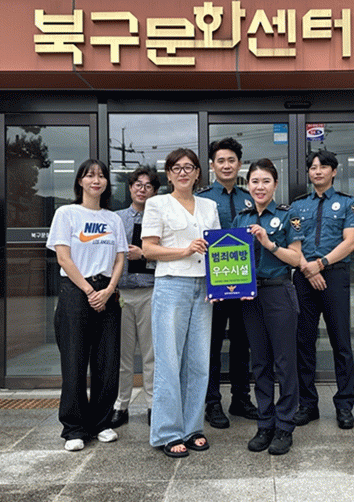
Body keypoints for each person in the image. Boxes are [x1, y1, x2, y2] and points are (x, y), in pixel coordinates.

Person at [141, 148, 220, 458]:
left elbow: (217, 249)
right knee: (169, 361)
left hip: (203, 287)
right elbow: (148, 250)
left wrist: (224, 284)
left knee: (198, 361)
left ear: (198, 173)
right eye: (177, 168)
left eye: (189, 167)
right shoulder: (157, 203)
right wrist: (185, 251)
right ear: (169, 174)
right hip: (171, 285)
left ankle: (192, 427)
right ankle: (167, 432)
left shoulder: (209, 206)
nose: (183, 172)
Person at [46, 159, 128, 452]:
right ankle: (74, 428)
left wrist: (108, 290)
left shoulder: (113, 219)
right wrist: (89, 290)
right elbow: (63, 257)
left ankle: (101, 423)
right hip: (76, 292)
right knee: (74, 362)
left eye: (101, 175)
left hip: (107, 292)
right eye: (90, 175)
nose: (97, 180)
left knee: (107, 363)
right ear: (80, 181)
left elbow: (120, 258)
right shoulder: (66, 213)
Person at [232, 158, 303, 456]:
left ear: (275, 184)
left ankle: (285, 425)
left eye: (265, 181)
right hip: (250, 297)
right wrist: (233, 286)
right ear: (247, 185)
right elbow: (232, 257)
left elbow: (296, 259)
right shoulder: (241, 218)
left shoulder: (288, 215)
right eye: (254, 181)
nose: (259, 187)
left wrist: (269, 243)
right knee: (259, 363)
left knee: (284, 363)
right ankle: (265, 423)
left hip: (279, 293)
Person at [291, 150, 354, 430]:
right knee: (303, 343)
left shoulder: (348, 204)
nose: (317, 171)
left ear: (334, 171)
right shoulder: (297, 206)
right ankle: (308, 404)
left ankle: (344, 405)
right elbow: (294, 244)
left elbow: (350, 243)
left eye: (323, 167)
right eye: (313, 167)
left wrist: (320, 264)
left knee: (341, 343)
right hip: (303, 277)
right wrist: (308, 269)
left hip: (334, 276)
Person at [196, 137, 257, 429]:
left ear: (240, 164)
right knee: (212, 344)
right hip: (215, 285)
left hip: (244, 283)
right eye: (221, 161)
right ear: (212, 166)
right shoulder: (203, 199)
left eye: (231, 160)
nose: (226, 165)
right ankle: (212, 402)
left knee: (242, 344)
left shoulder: (249, 197)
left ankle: (241, 399)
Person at [110, 167, 161, 429]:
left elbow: (166, 254)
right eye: (138, 185)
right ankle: (121, 405)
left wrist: (144, 254)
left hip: (151, 291)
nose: (142, 189)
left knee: (151, 354)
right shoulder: (116, 219)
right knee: (124, 355)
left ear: (155, 191)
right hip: (122, 293)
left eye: (148, 186)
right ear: (130, 188)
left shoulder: (160, 218)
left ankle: (153, 405)